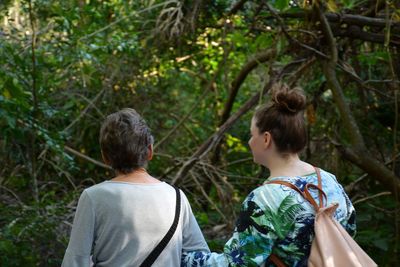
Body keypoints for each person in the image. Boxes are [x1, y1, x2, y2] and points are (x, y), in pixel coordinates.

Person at [182, 84, 356, 266]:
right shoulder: (328, 180)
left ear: (266, 139)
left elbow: (237, 264)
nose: (249, 142)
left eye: (252, 135)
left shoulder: (264, 199)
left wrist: (183, 258)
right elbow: (349, 231)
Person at [62, 108, 210, 267]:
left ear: (105, 156)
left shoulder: (93, 197)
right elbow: (200, 257)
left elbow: (75, 261)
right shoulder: (176, 197)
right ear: (150, 151)